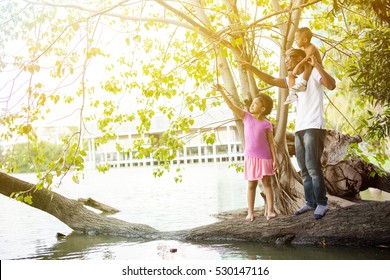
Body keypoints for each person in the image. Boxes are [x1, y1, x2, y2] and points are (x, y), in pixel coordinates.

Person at [241, 48, 336, 220]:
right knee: (304, 168)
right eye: (285, 58)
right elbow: (269, 79)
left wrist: (317, 66)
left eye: (289, 58)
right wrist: (251, 68)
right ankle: (310, 202)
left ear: (300, 58)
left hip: (314, 126)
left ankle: (322, 202)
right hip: (300, 128)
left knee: (313, 166)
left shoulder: (313, 73)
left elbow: (331, 85)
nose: (286, 62)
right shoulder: (293, 80)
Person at [213, 84, 277, 221]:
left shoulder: (267, 124)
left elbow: (271, 143)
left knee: (267, 183)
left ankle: (270, 211)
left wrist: (275, 159)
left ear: (263, 109)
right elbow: (231, 106)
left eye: (255, 104)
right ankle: (250, 212)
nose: (252, 105)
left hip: (265, 157)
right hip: (251, 158)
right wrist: (222, 91)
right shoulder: (246, 117)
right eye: (252, 103)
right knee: (251, 184)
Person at [284, 27, 323, 105]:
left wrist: (298, 66)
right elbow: (296, 53)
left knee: (307, 63)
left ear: (305, 40)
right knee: (290, 74)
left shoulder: (311, 48)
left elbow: (307, 58)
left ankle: (303, 83)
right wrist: (288, 52)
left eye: (297, 39)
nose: (295, 41)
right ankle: (292, 94)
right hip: (307, 65)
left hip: (315, 67)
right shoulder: (302, 48)